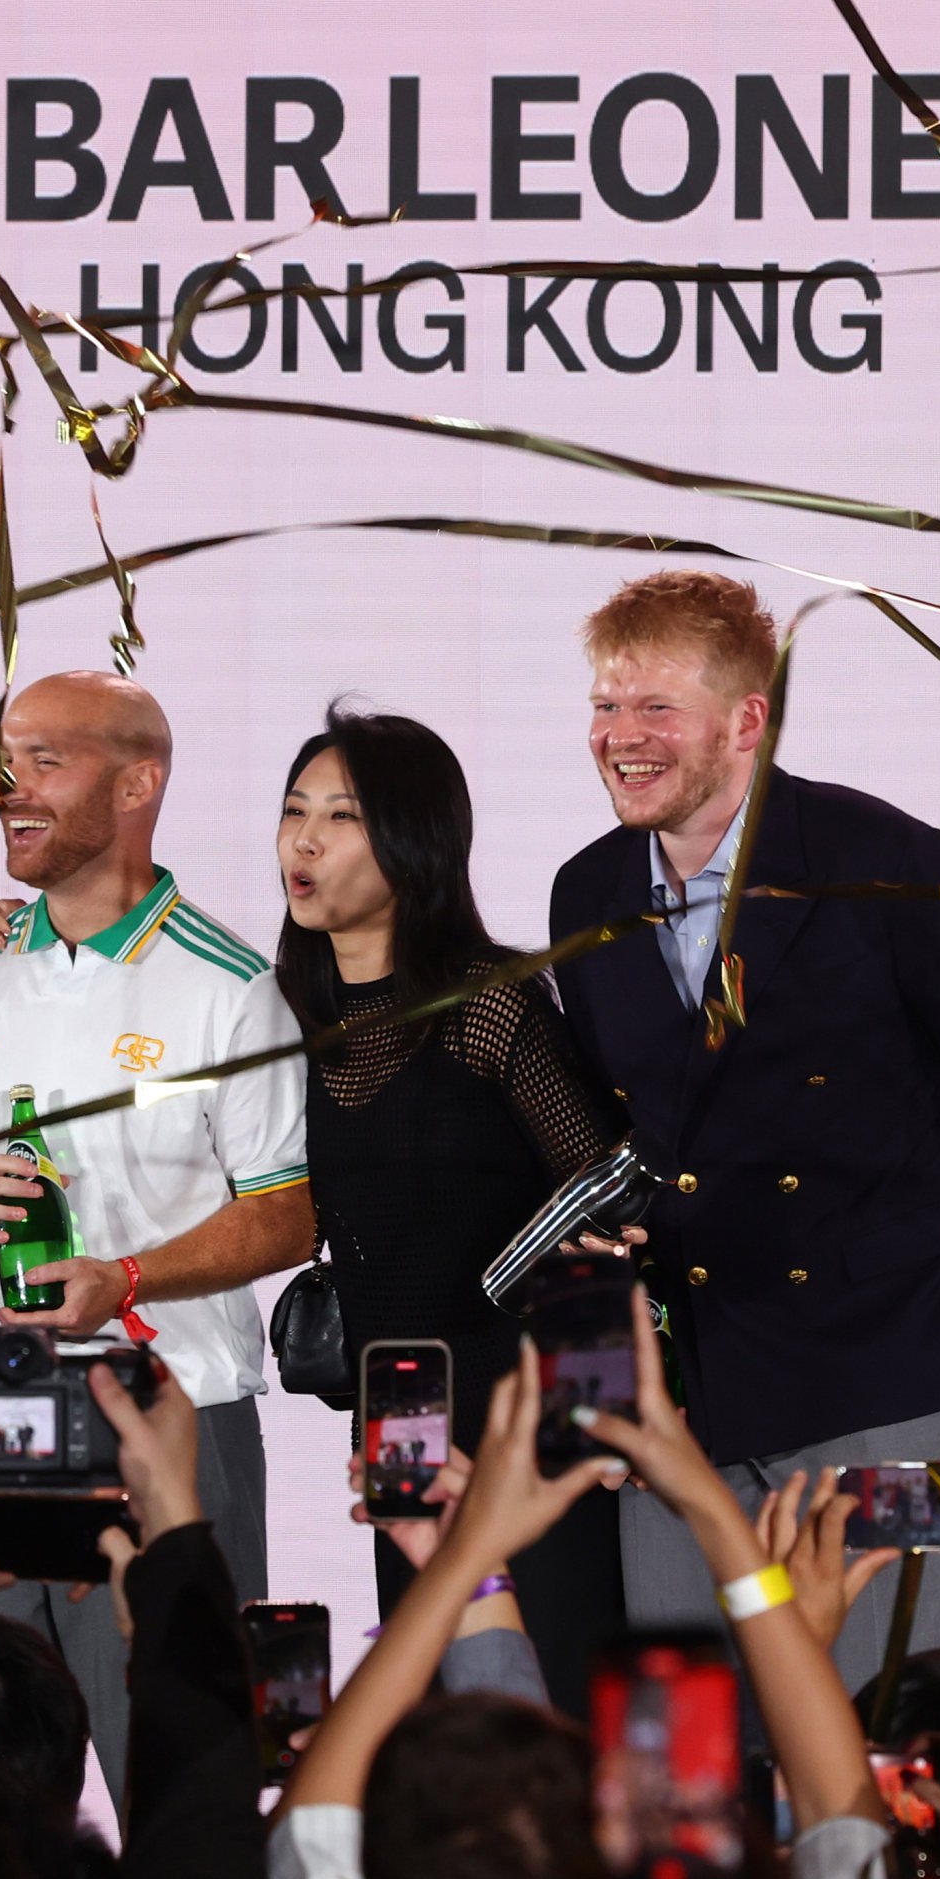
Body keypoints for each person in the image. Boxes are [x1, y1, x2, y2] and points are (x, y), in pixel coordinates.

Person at [543, 572, 940, 1683]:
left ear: (746, 719)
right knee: (684, 1752)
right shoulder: (584, 892)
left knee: (873, 1725)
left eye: (654, 708)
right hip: (691, 1388)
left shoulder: (890, 866)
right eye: (605, 706)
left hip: (883, 1371)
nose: (619, 738)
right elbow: (623, 1131)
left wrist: (898, 1230)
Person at [0, 670, 314, 1792]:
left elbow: (287, 1213)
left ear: (137, 782)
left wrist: (124, 1277)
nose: (5, 793)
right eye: (3, 762)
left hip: (169, 1419)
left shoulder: (229, 989)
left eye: (41, 763)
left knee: (180, 1763)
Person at [275, 706, 627, 1710]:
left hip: (522, 1427)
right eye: (294, 810)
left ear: (415, 843)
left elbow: (603, 1194)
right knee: (445, 1724)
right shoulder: (296, 1018)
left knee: (540, 1717)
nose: (303, 839)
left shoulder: (486, 1002)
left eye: (341, 816)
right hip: (400, 1422)